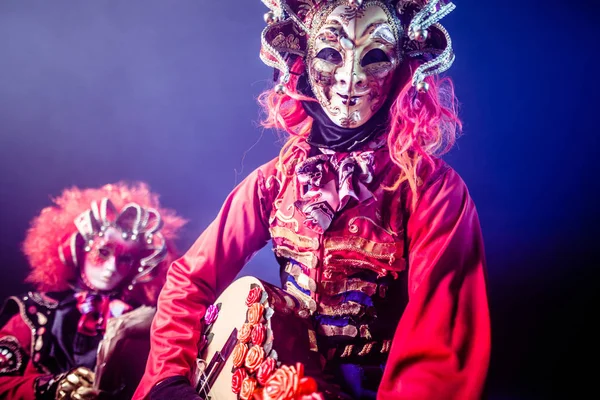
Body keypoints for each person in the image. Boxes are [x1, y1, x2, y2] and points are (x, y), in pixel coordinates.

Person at [136, 0, 490, 399]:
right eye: (329, 53)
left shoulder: (431, 191)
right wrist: (167, 380)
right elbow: (191, 278)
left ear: (404, 67)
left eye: (374, 56)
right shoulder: (276, 180)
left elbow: (439, 337)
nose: (350, 78)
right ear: (302, 60)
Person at [0, 182, 185, 399]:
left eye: (125, 258)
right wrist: (54, 387)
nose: (112, 268)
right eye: (103, 252)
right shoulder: (33, 311)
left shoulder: (146, 322)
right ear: (78, 247)